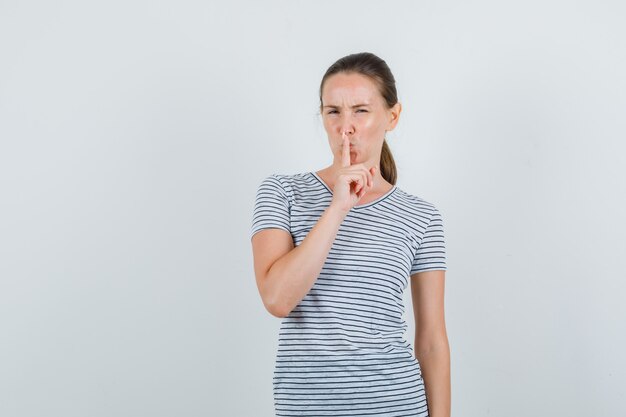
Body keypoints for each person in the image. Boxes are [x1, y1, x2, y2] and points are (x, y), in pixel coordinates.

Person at [250, 52, 450, 417]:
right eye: (333, 112)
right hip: (307, 408)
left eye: (361, 110)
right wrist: (338, 207)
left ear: (392, 116)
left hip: (395, 404)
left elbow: (433, 341)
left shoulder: (422, 217)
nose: (346, 127)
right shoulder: (282, 192)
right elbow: (277, 299)